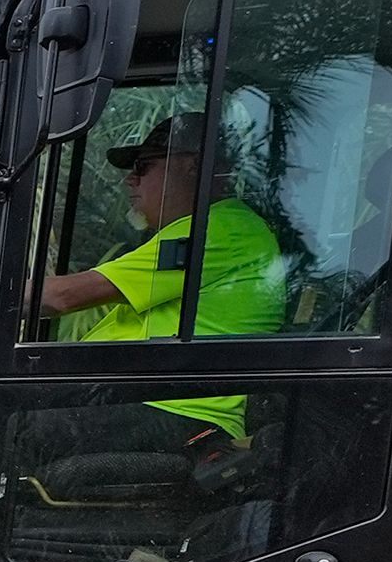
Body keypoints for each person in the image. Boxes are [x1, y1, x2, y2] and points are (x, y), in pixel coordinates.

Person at [32, 110, 289, 445]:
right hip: (146, 401)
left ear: (191, 166)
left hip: (176, 412)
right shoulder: (216, 230)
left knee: (5, 426)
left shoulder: (216, 230)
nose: (130, 180)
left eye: (142, 166)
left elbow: (60, 297)